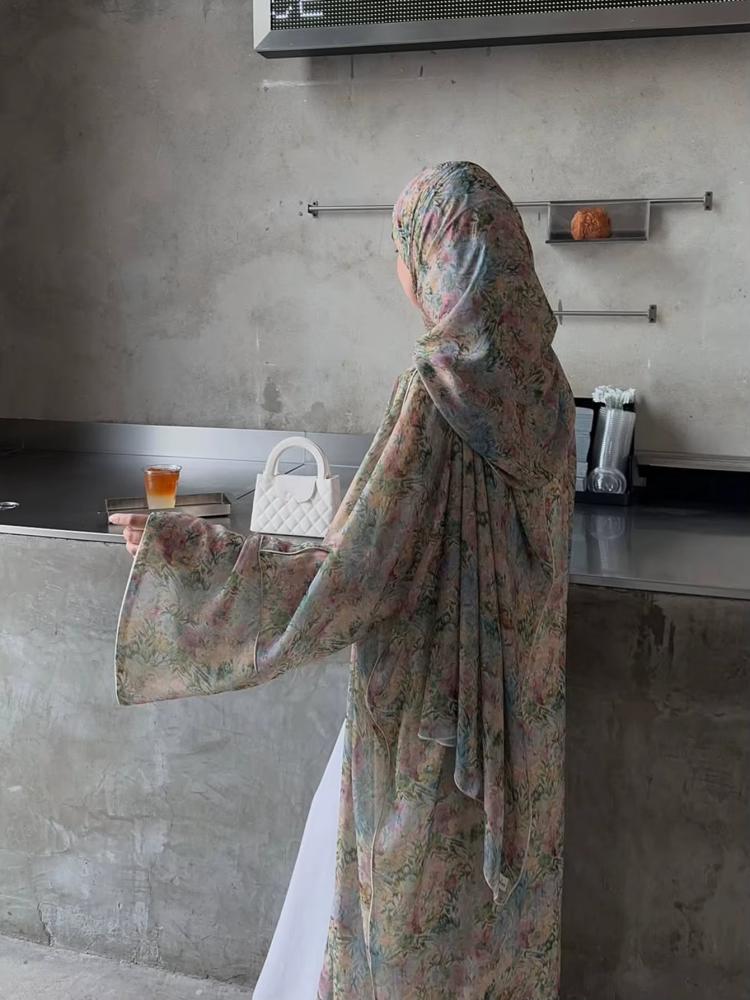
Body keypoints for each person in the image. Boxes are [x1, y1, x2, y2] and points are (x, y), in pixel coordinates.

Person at [110, 161, 575, 1000]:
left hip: (432, 729)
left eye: (404, 248)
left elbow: (347, 579)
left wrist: (184, 551)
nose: (399, 271)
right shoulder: (545, 390)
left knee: (404, 933)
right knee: (490, 943)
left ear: (436, 255)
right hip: (521, 734)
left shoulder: (437, 398)